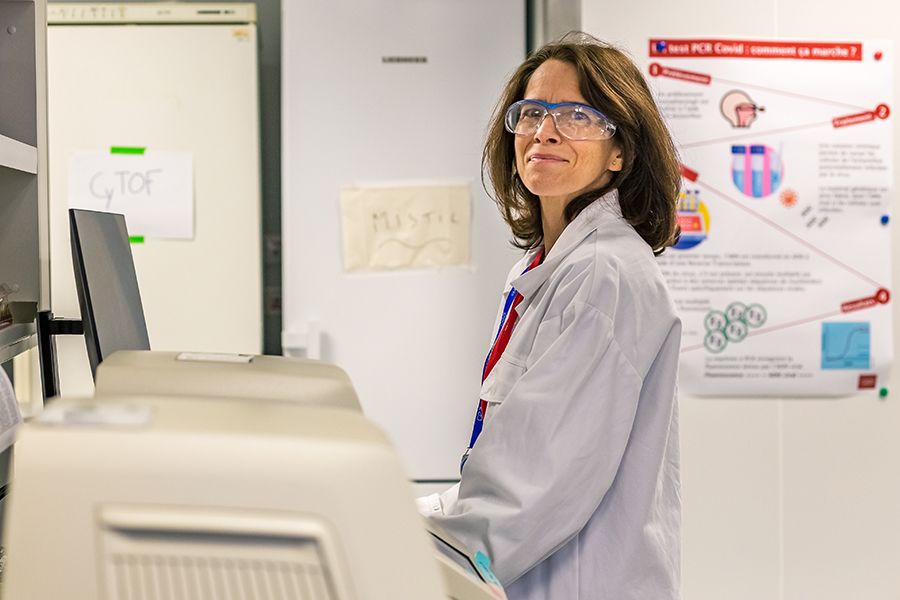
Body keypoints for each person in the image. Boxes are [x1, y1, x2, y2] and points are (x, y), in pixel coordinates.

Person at [417, 33, 683, 599]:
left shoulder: (602, 274)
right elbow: (504, 460)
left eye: (577, 116)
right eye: (533, 112)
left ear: (621, 152)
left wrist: (400, 549)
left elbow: (529, 490)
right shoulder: (544, 270)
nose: (545, 131)